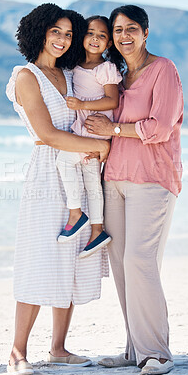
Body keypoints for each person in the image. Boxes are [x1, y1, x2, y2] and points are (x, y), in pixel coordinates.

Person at [5, 3, 110, 375]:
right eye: (56, 32)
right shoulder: (26, 76)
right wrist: (98, 147)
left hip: (81, 171)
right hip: (48, 173)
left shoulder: (69, 73)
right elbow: (47, 134)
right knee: (39, 257)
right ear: (39, 32)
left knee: (72, 257)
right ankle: (17, 352)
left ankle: (59, 348)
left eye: (69, 33)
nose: (63, 40)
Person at [85, 5, 184, 375]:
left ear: (145, 32)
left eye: (131, 29)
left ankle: (157, 352)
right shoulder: (119, 76)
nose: (123, 36)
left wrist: (110, 130)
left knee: (140, 262)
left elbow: (160, 127)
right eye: (117, 31)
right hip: (114, 180)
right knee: (122, 266)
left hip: (153, 180)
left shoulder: (164, 70)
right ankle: (134, 349)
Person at [56, 15, 122, 259]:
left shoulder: (106, 68)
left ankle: (76, 213)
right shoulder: (74, 66)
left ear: (109, 44)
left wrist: (82, 103)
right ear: (83, 36)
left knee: (63, 161)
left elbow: (112, 100)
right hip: (83, 131)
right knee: (93, 184)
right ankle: (97, 230)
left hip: (94, 130)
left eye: (102, 36)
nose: (95, 39)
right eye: (91, 33)